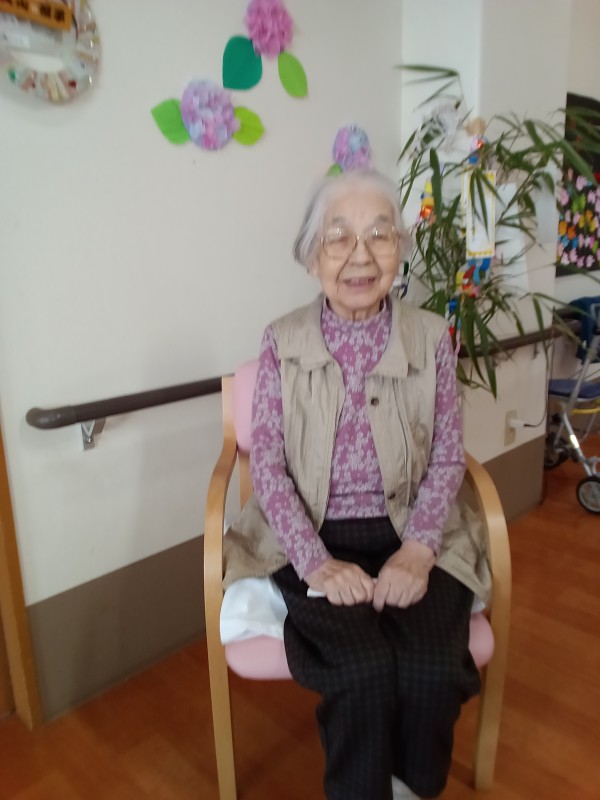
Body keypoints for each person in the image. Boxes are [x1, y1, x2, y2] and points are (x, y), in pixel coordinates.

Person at [223, 168, 491, 800]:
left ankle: (412, 789)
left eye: (380, 234)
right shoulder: (282, 341)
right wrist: (315, 563)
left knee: (431, 666)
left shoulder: (431, 337)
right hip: (311, 533)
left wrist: (420, 548)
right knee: (362, 668)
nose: (360, 255)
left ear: (399, 247)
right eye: (339, 236)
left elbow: (447, 454)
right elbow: (268, 469)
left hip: (413, 525)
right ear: (312, 254)